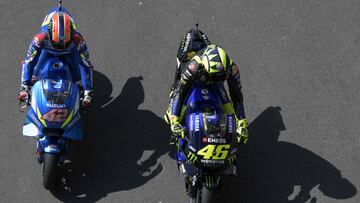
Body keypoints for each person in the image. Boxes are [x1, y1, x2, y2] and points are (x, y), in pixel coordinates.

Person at [165, 26, 248, 144]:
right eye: (213, 75)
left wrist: (241, 122)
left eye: (220, 75)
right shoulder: (193, 66)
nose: (215, 77)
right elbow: (180, 90)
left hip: (216, 86)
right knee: (171, 114)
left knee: (229, 110)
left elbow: (237, 96)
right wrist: (174, 120)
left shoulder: (232, 69)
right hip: (195, 80)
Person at [18, 6, 93, 107]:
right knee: (34, 75)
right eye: (57, 44)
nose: (61, 46)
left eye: (65, 43)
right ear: (49, 34)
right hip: (47, 52)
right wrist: (24, 88)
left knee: (78, 79)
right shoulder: (40, 38)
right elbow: (29, 61)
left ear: (71, 34)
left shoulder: (78, 39)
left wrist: (87, 93)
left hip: (70, 53)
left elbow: (85, 64)